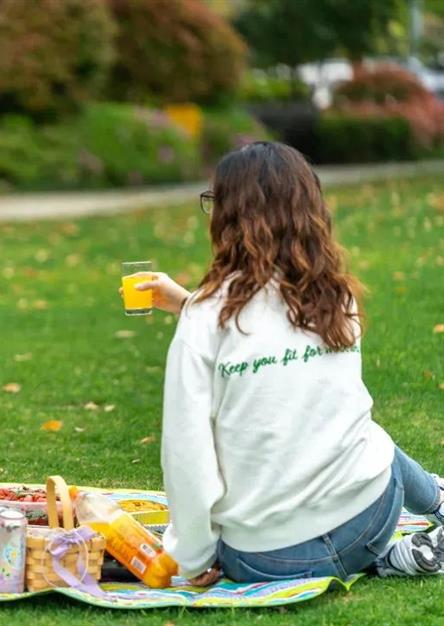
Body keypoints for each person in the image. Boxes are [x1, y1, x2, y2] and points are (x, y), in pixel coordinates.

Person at [128, 141, 444, 584]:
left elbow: (187, 452)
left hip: (266, 560)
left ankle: (386, 556)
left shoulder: (206, 318)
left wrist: (192, 557)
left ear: (228, 217)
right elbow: (279, 353)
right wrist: (188, 304)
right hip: (371, 519)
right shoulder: (337, 297)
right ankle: (403, 537)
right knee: (364, 434)